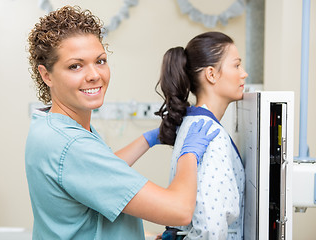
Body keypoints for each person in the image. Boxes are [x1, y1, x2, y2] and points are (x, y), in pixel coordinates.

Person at [25, 6, 219, 240]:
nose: (94, 75)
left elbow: (96, 174)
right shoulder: (72, 145)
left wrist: (149, 138)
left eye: (100, 60)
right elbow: (179, 211)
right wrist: (189, 152)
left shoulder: (49, 125)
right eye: (75, 65)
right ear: (46, 75)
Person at [155, 32, 248, 239]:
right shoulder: (209, 133)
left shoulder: (192, 123)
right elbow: (211, 229)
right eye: (236, 65)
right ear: (211, 74)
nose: (244, 74)